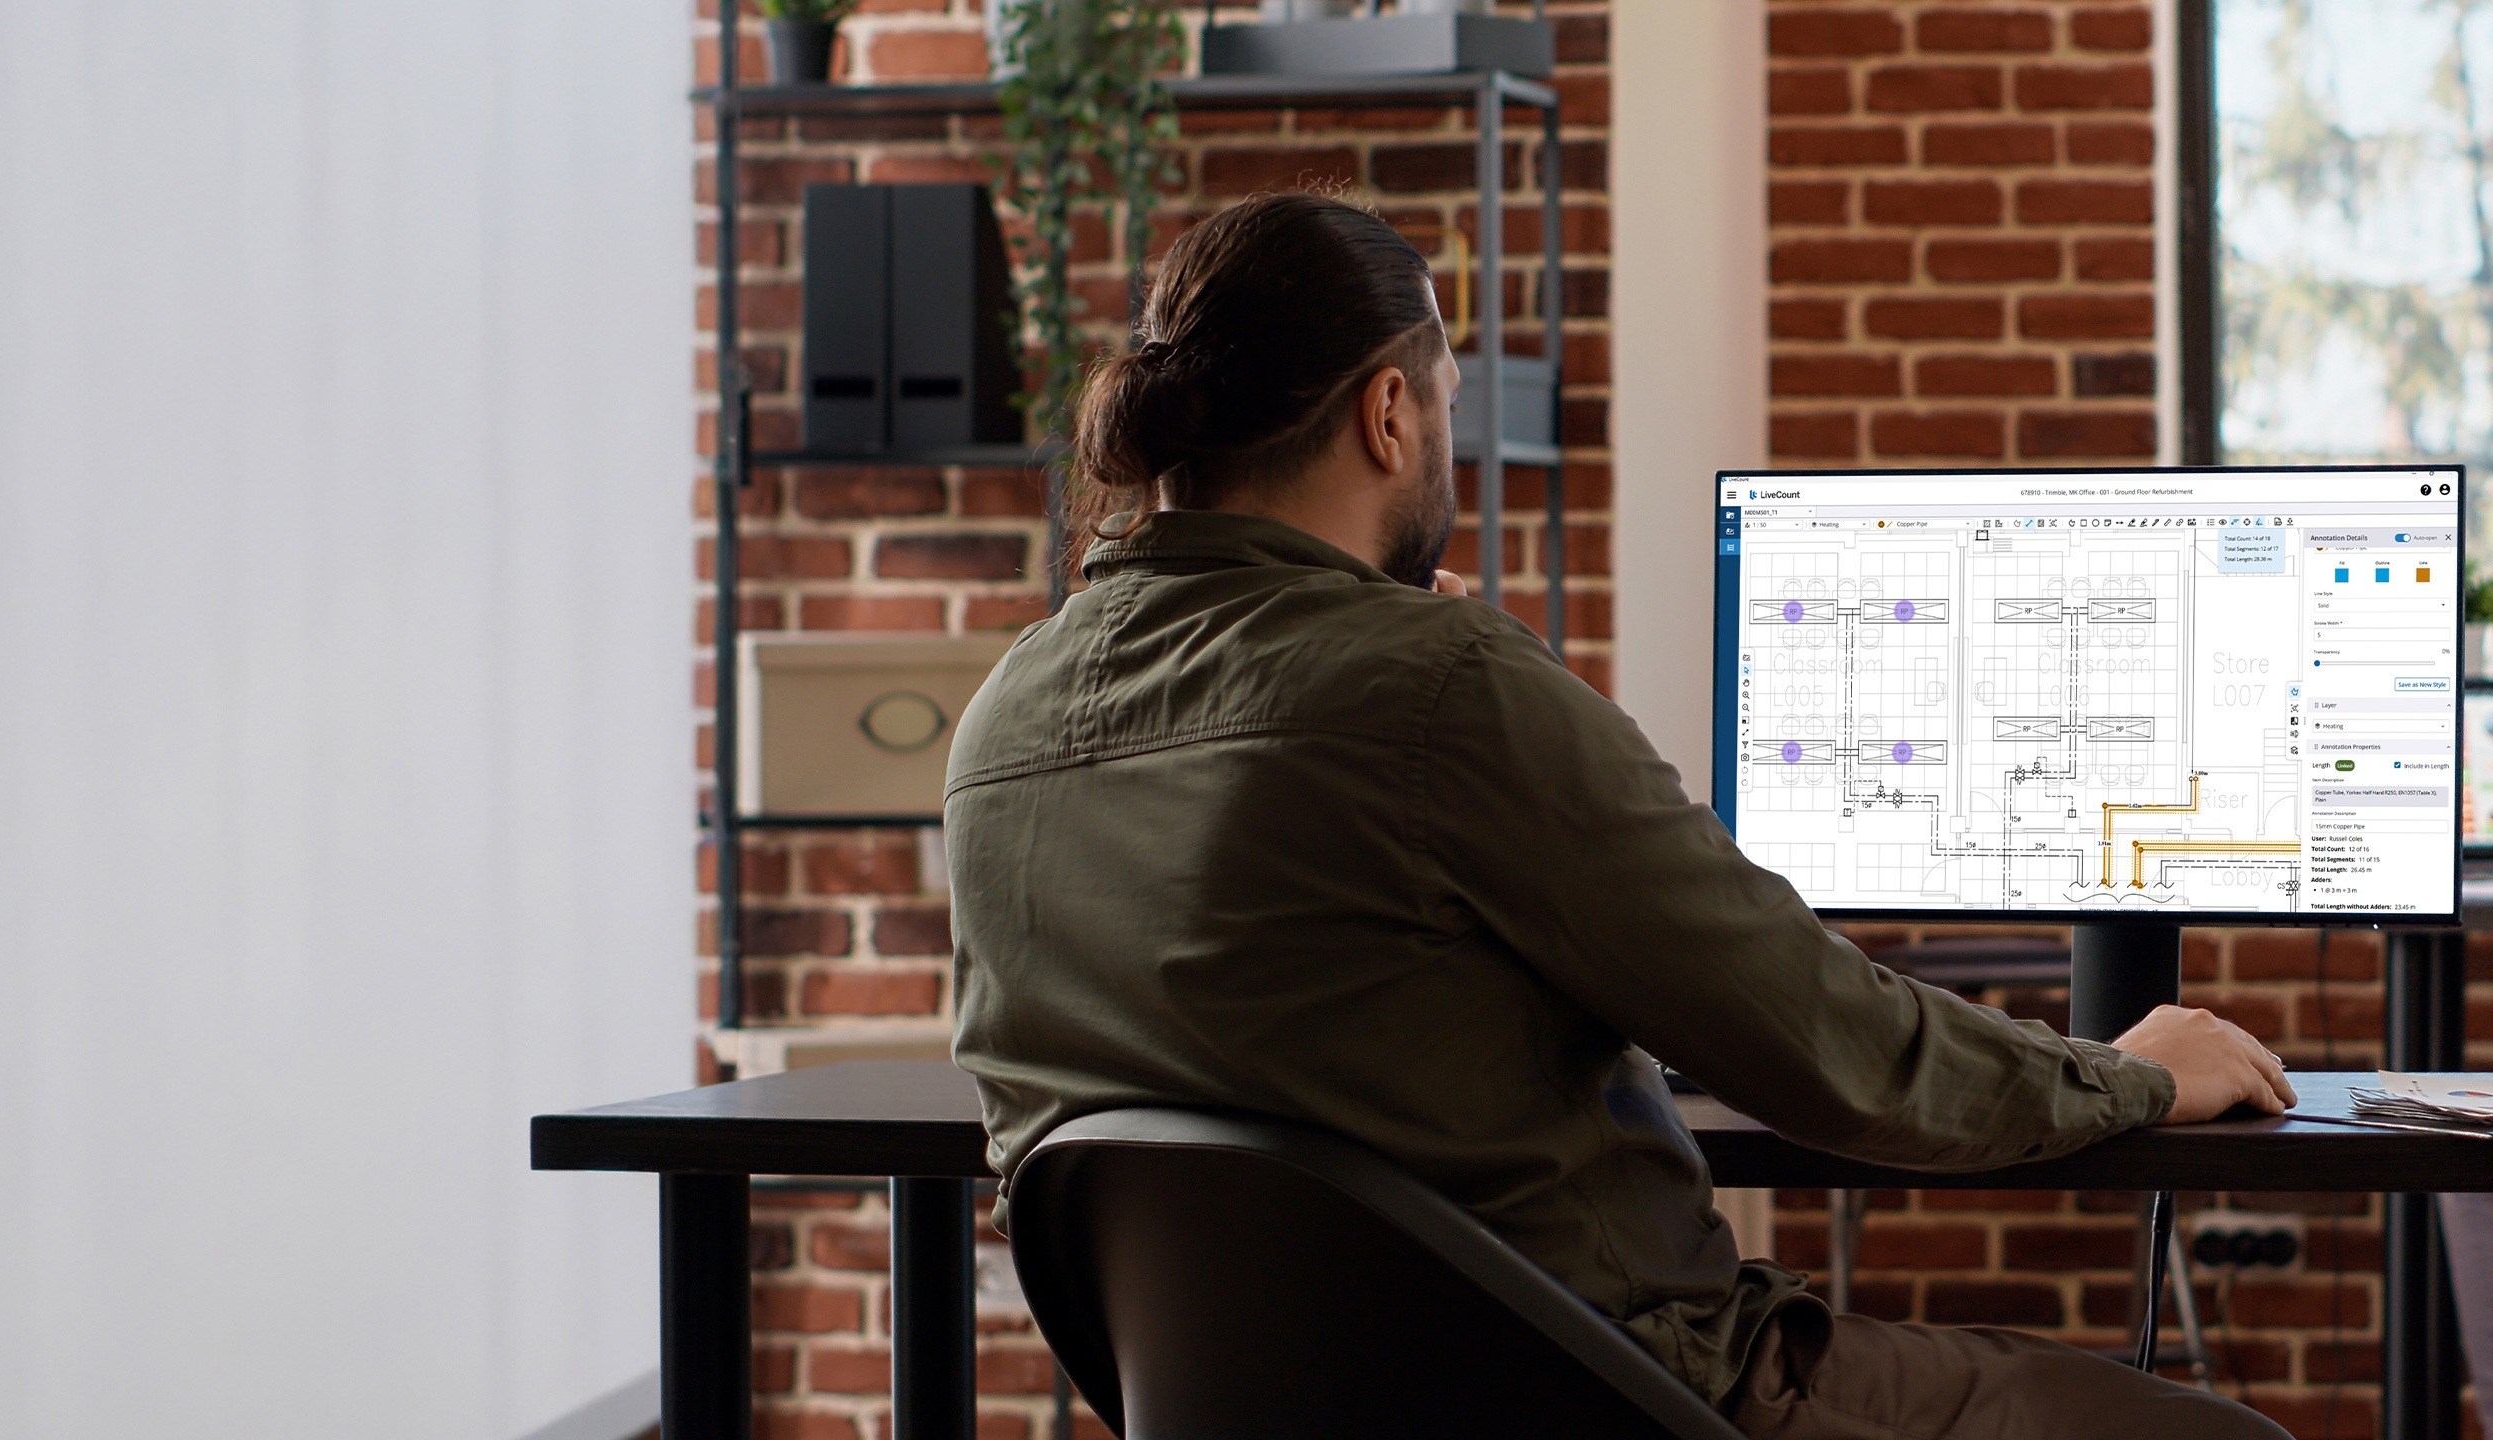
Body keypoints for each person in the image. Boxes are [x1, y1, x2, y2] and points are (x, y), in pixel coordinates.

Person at [942, 192, 2297, 1439]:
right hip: (1630, 1389)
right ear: (1390, 412)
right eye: (1450, 409)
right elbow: (1824, 1037)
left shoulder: (1005, 714)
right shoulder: (1441, 688)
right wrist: (2133, 1073)